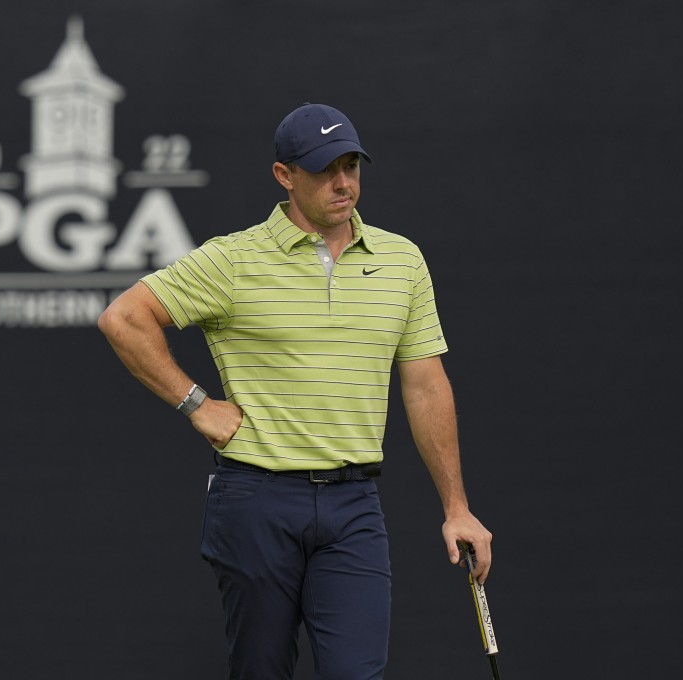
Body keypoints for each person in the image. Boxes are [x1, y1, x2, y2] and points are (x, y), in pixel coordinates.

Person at [98, 102, 493, 680]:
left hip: (354, 504)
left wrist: (456, 507)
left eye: (352, 166)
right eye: (325, 168)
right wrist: (196, 404)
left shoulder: (401, 261)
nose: (343, 183)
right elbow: (124, 318)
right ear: (285, 175)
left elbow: (426, 385)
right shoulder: (233, 258)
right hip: (255, 500)